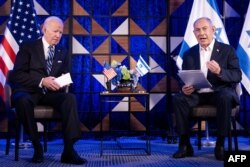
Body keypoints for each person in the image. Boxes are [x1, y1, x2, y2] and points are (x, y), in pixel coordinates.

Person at [9, 16, 86, 164]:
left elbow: (66, 74)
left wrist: (62, 82)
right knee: (23, 100)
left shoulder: (63, 51)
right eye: (55, 31)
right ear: (44, 30)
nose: (58, 35)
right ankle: (37, 147)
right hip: (29, 91)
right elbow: (17, 75)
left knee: (70, 98)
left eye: (61, 32)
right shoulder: (28, 47)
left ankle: (69, 150)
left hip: (50, 93)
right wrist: (42, 81)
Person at [172, 17, 242, 160]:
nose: (201, 33)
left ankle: (220, 144)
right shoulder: (188, 54)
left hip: (219, 93)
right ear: (194, 33)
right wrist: (184, 88)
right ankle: (184, 144)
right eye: (198, 30)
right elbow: (184, 78)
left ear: (213, 30)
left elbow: (237, 75)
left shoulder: (227, 50)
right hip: (197, 94)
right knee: (178, 99)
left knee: (225, 96)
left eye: (205, 29)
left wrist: (220, 71)